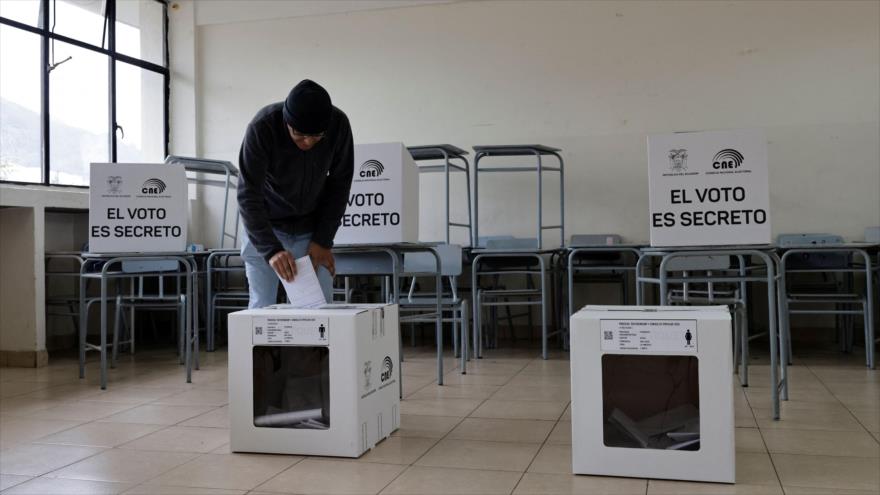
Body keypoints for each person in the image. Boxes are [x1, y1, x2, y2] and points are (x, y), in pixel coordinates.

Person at [237, 79, 353, 308]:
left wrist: (323, 240)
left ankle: (315, 347)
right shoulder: (263, 127)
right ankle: (264, 346)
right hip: (266, 227)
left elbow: (340, 186)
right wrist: (271, 250)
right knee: (262, 306)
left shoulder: (338, 126)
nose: (308, 142)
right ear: (286, 122)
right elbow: (248, 194)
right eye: (299, 134)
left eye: (317, 135)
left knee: (319, 309)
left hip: (311, 229)